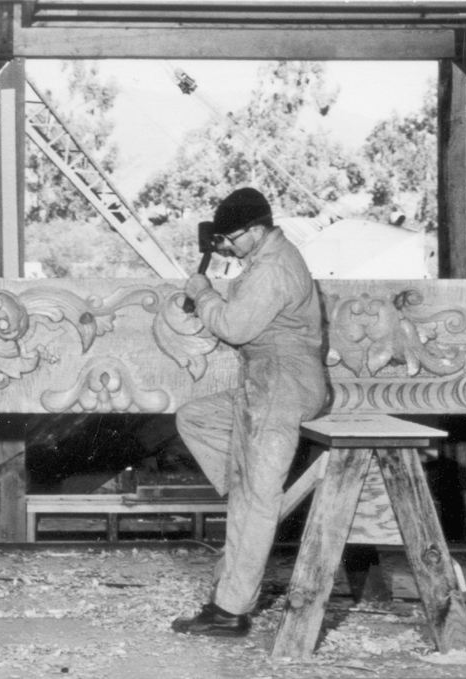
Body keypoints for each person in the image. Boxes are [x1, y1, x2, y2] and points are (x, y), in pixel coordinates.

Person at [171, 187, 328, 637]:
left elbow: (235, 327)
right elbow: (246, 304)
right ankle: (249, 482)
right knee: (196, 418)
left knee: (255, 500)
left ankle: (229, 611)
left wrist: (202, 293)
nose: (227, 248)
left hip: (282, 384)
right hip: (269, 382)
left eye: (232, 239)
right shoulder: (266, 259)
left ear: (256, 230)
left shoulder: (275, 267)